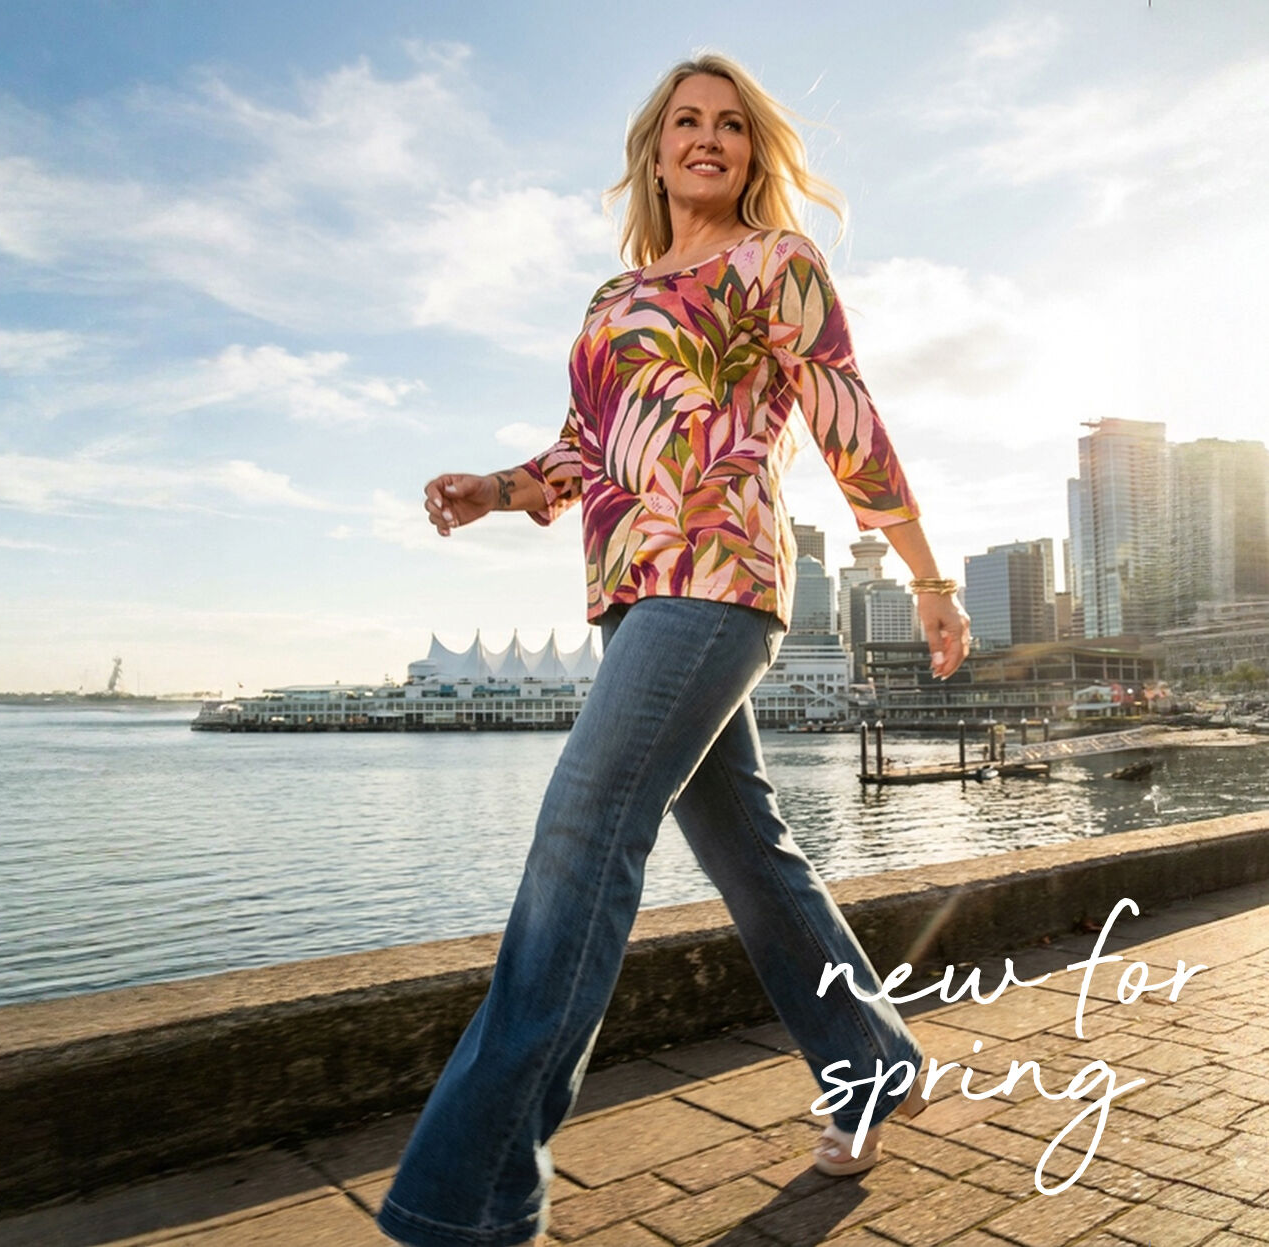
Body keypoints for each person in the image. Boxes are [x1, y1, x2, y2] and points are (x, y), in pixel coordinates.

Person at [372, 53, 970, 1247]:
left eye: (730, 126)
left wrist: (929, 578)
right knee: (748, 849)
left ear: (753, 153)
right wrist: (493, 486)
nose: (706, 139)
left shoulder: (773, 264)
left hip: (722, 581)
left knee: (580, 834)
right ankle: (867, 1058)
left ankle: (470, 1199)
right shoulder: (608, 298)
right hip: (629, 599)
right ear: (652, 148)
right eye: (685, 122)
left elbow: (847, 423)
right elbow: (580, 450)